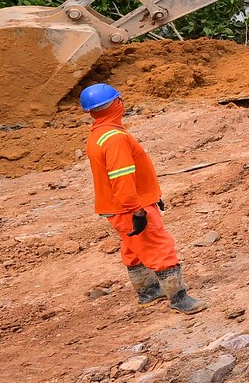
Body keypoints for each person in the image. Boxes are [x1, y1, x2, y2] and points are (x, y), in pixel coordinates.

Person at [81, 82, 206, 313]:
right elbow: (122, 178)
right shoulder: (115, 138)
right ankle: (179, 299)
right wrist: (137, 210)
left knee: (133, 248)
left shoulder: (99, 134)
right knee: (159, 247)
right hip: (130, 206)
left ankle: (148, 291)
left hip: (118, 205)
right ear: (116, 104)